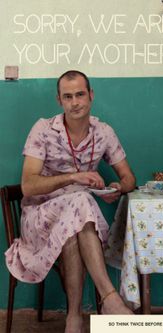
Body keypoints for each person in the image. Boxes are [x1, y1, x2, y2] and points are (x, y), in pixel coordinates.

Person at [5, 70, 136, 333]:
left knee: (76, 217)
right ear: (59, 101)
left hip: (77, 219)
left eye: (79, 94)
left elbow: (129, 178)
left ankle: (73, 317)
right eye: (68, 96)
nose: (75, 102)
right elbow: (28, 185)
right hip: (39, 218)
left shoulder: (104, 132)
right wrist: (74, 177)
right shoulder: (43, 129)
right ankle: (109, 297)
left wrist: (116, 187)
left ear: (91, 95)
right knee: (80, 200)